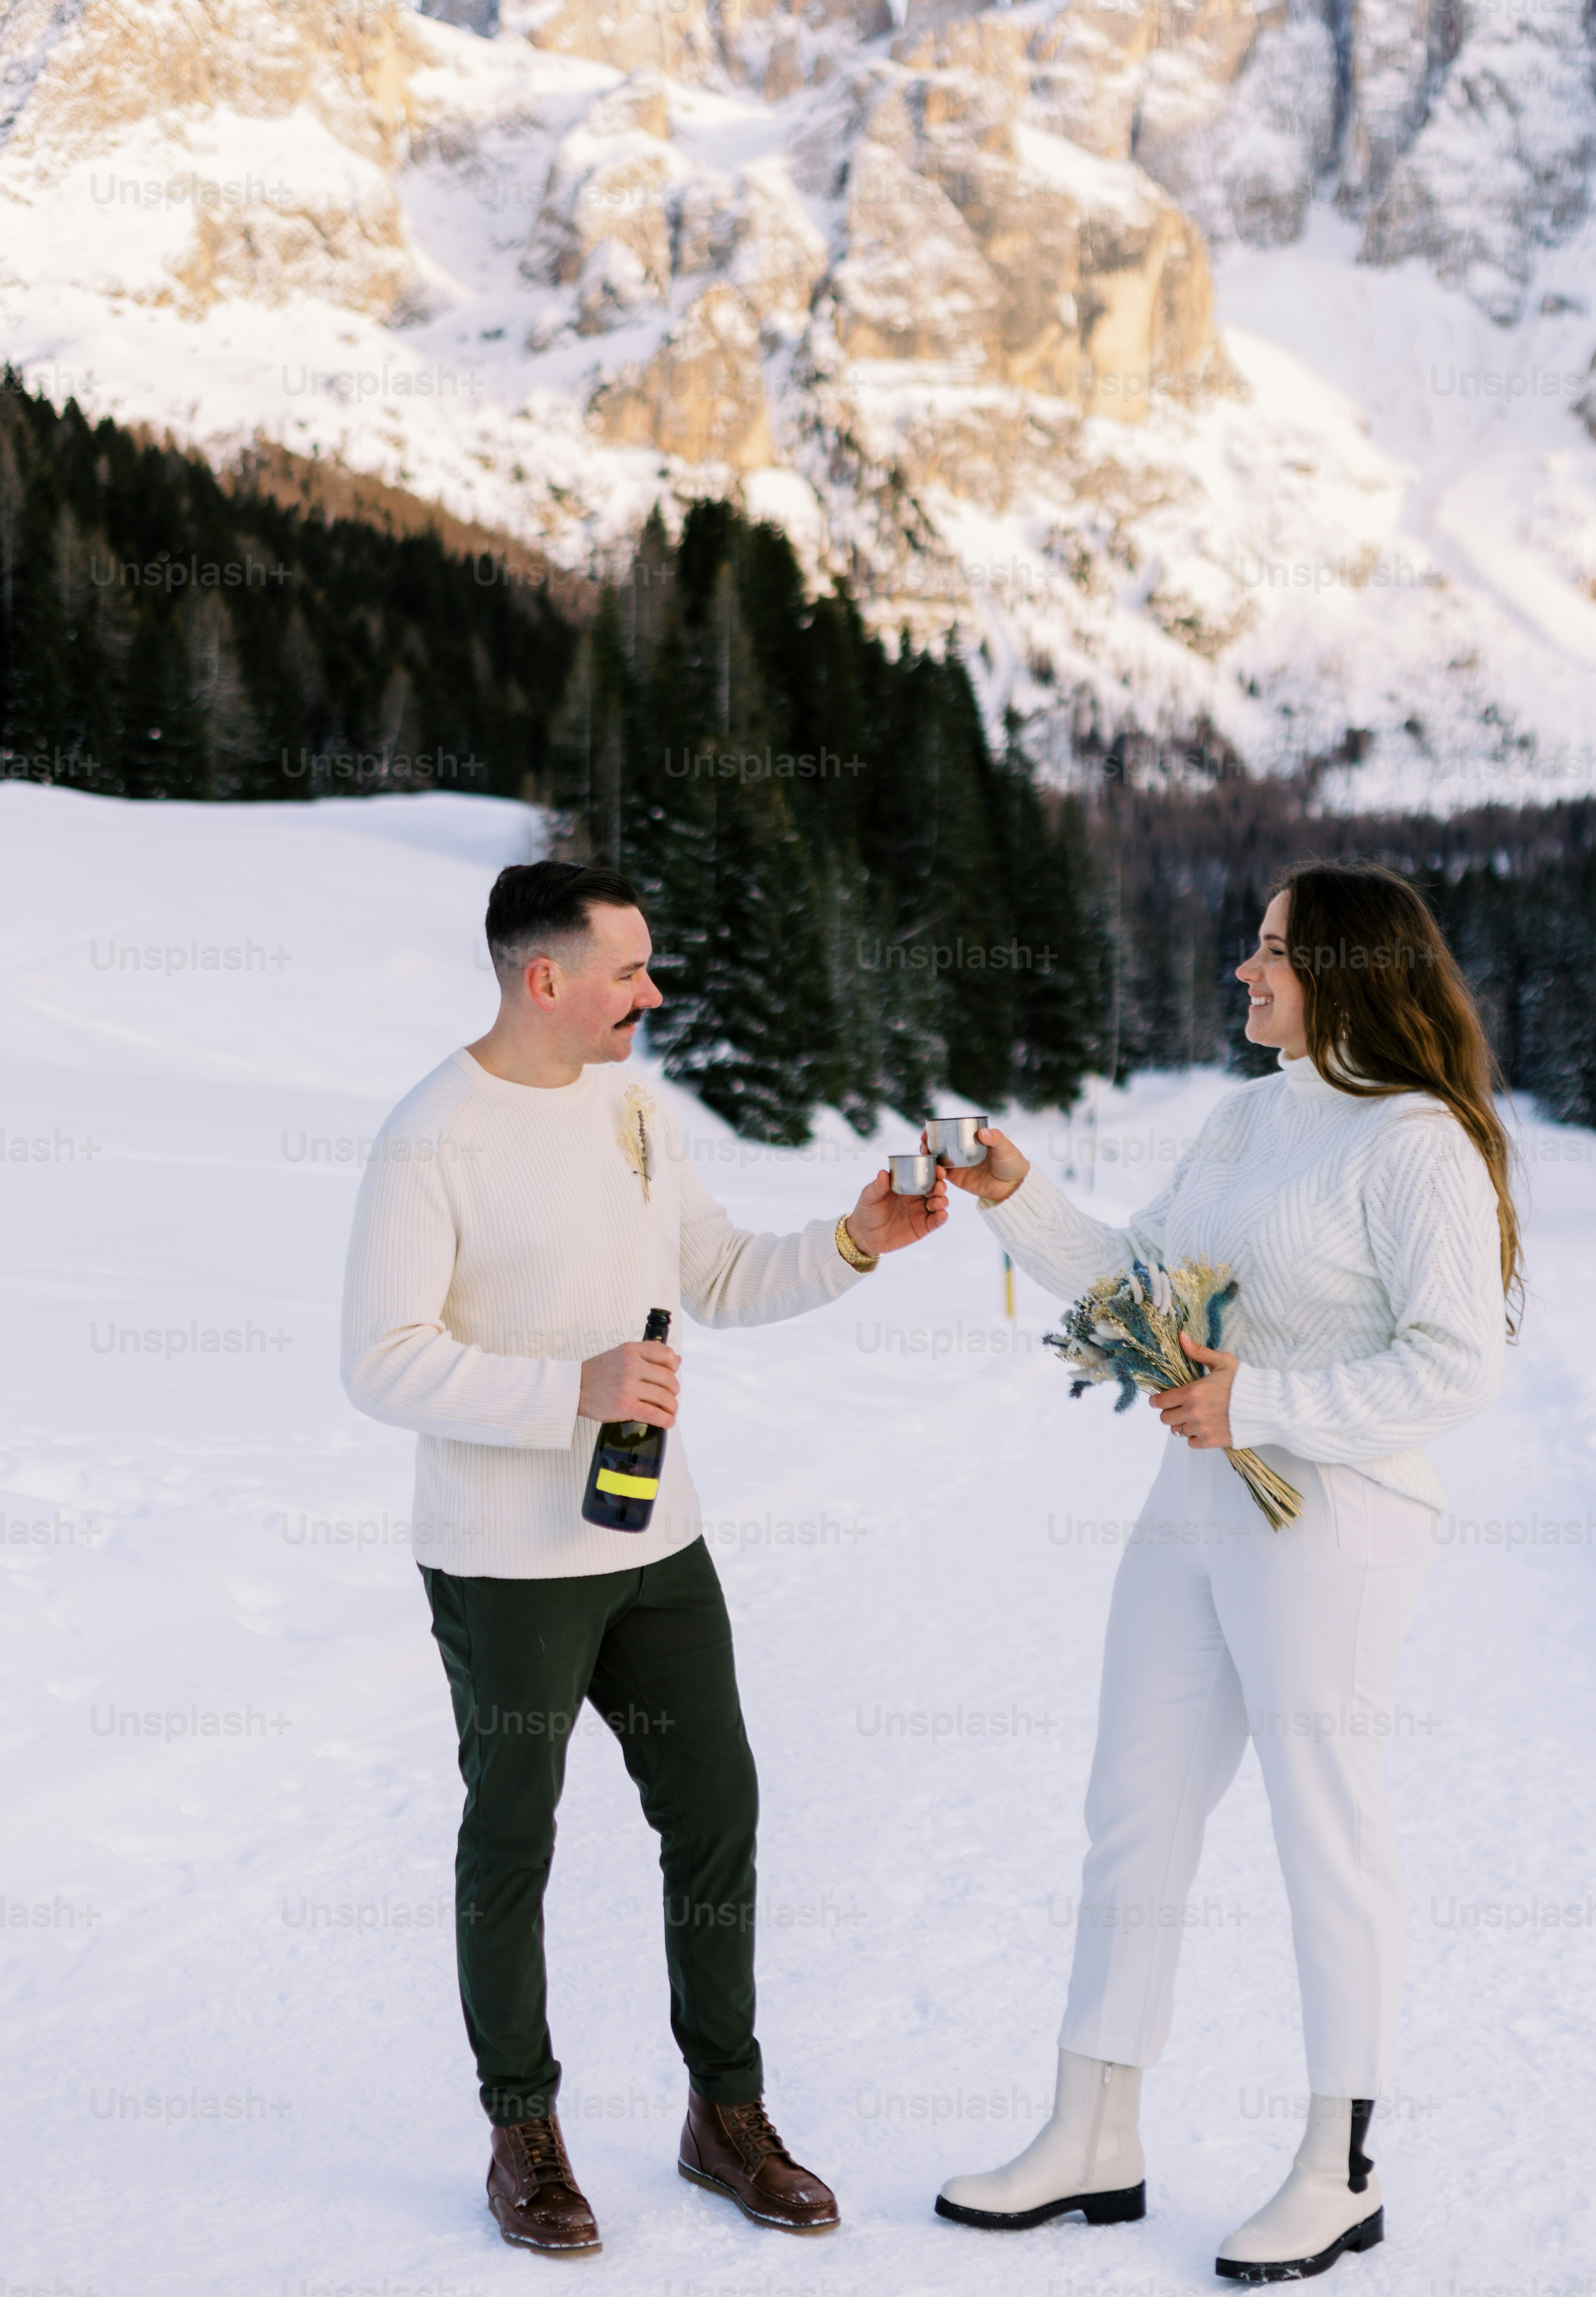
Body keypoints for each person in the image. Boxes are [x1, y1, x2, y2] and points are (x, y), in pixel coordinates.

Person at [339, 858, 947, 2255]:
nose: (654, 994)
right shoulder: (430, 1135)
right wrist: (574, 1387)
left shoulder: (633, 1108)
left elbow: (716, 1274)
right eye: (629, 971)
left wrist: (856, 1241)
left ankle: (724, 2117)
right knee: (512, 1841)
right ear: (546, 977)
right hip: (506, 1564)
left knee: (716, 1806)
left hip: (654, 1535)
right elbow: (379, 1361)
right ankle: (523, 2136)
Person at [929, 863, 1518, 2283]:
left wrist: (1262, 1405)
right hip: (1196, 1501)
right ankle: (1094, 2134)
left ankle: (1339, 2171)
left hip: (1336, 1516)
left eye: (1272, 950)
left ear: (1347, 971)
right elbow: (1140, 1280)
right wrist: (1016, 1193)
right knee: (1130, 1808)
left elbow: (1457, 1365)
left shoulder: (1417, 1142)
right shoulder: (1246, 1117)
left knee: (1326, 1828)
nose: (1246, 971)